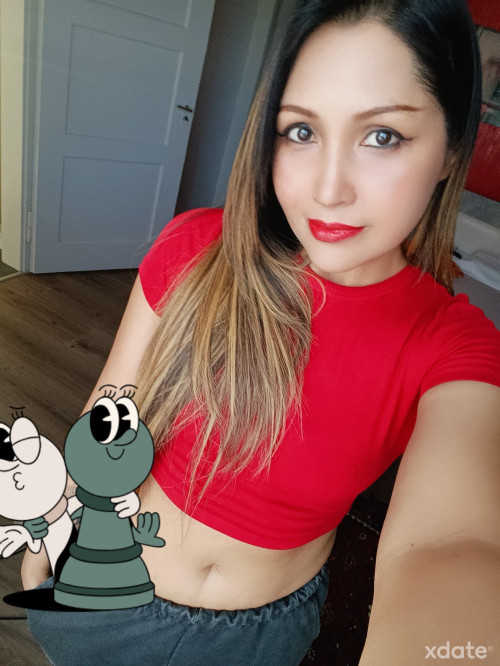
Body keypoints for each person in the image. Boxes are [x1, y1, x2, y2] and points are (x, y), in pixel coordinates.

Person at [22, 0, 500, 664]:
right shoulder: (197, 249)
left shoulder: (453, 343)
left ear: (450, 150)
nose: (328, 189)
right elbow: (112, 407)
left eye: (382, 136)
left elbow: (452, 543)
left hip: (252, 641)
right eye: (301, 131)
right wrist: (56, 520)